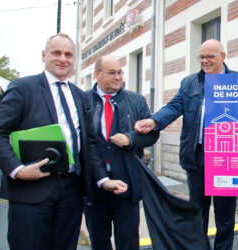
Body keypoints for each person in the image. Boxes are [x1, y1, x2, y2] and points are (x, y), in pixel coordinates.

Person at [0, 33, 127, 250]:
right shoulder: (22, 88)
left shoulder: (80, 96)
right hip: (31, 190)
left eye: (68, 54)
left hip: (71, 192)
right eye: (56, 53)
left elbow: (88, 144)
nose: (62, 58)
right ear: (44, 55)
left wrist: (102, 180)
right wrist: (17, 170)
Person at [134, 39, 238, 250]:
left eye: (210, 56)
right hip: (196, 156)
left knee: (225, 216)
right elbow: (174, 107)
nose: (205, 60)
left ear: (223, 56)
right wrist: (154, 121)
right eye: (201, 56)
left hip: (227, 158)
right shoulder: (190, 82)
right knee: (197, 213)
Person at [84, 55, 159, 250]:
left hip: (127, 182)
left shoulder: (136, 100)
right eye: (112, 73)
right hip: (95, 185)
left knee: (128, 241)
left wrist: (130, 138)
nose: (118, 77)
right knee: (99, 240)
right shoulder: (82, 100)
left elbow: (152, 136)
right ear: (97, 74)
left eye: (120, 72)